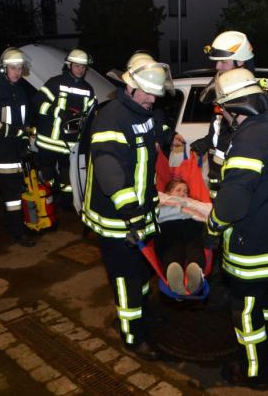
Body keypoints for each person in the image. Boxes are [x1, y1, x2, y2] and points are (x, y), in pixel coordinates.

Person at [80, 52, 174, 361]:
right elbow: (111, 175)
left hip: (141, 212)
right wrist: (132, 213)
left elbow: (147, 156)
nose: (152, 98)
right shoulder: (111, 119)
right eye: (147, 92)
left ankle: (143, 316)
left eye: (155, 94)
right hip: (118, 218)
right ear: (130, 86)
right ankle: (132, 336)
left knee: (143, 271)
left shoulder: (143, 113)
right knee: (126, 278)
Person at [205, 68, 268, 390]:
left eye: (223, 109)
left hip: (252, 247)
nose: (223, 116)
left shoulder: (248, 143)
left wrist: (212, 227)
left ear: (236, 108)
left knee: (246, 313)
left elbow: (232, 205)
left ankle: (254, 372)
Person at [0, 47, 36, 247]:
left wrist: (27, 138)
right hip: (2, 153)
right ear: (4, 69)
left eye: (20, 68)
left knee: (16, 192)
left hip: (18, 151)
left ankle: (14, 223)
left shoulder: (19, 91)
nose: (17, 72)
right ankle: (18, 233)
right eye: (13, 68)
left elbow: (24, 119)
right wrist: (13, 132)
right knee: (12, 195)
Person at [190, 30, 255, 199]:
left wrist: (226, 169)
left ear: (240, 61)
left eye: (223, 62)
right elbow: (222, 127)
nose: (217, 67)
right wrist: (207, 141)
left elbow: (242, 135)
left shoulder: (245, 96)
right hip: (217, 169)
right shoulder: (226, 88)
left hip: (231, 171)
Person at [34, 49, 96, 208]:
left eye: (83, 67)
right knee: (47, 174)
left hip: (70, 144)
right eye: (77, 66)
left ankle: (67, 205)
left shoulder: (88, 89)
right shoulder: (55, 83)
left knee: (68, 177)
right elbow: (38, 104)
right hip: (49, 141)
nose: (80, 70)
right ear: (69, 65)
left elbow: (90, 116)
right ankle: (47, 202)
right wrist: (60, 112)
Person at [156, 178, 211, 294]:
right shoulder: (161, 199)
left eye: (185, 192)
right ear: (168, 193)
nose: (182, 194)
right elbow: (158, 213)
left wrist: (189, 205)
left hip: (191, 225)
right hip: (170, 226)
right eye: (178, 190)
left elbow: (209, 209)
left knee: (195, 246)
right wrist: (181, 207)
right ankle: (173, 271)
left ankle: (195, 269)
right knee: (172, 248)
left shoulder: (192, 202)